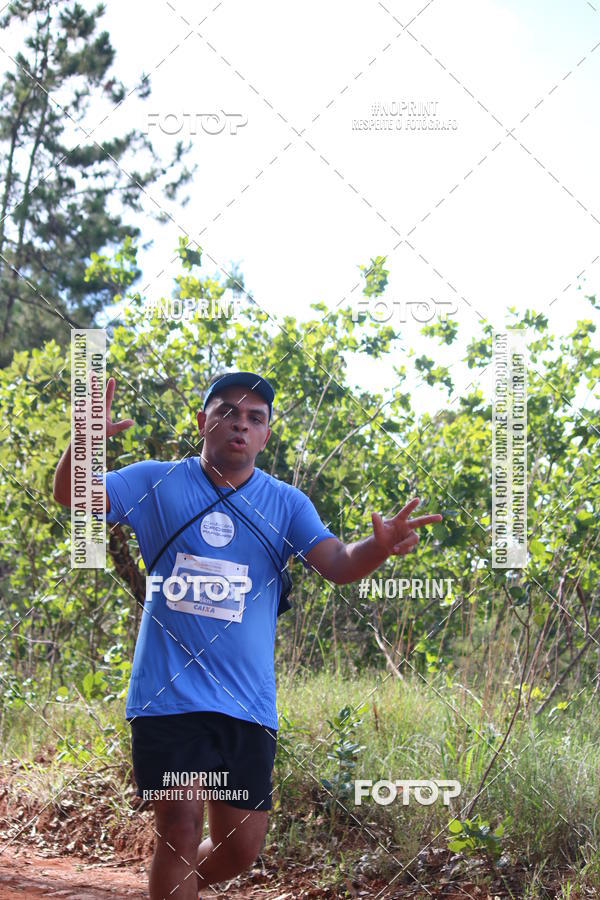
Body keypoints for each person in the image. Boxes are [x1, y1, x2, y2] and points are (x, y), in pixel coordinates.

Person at [53, 370, 442, 899]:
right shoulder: (155, 482)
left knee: (239, 848)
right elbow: (73, 496)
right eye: (228, 413)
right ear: (202, 422)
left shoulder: (286, 504)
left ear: (265, 435)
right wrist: (85, 440)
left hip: (247, 705)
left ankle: (172, 887)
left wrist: (378, 547)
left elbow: (337, 562)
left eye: (255, 419)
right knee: (181, 828)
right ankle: (174, 879)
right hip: (168, 699)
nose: (241, 425)